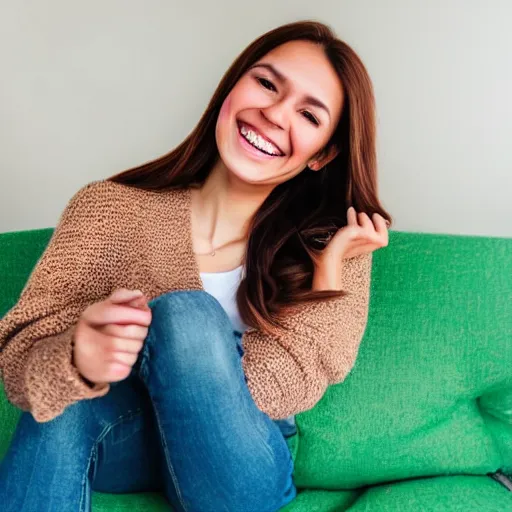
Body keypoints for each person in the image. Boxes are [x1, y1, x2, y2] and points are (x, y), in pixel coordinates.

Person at [0, 20, 391, 512]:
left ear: (323, 154)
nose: (273, 114)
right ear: (231, 88)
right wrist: (79, 355)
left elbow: (283, 393)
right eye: (267, 84)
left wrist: (328, 269)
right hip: (133, 442)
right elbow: (19, 365)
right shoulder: (107, 211)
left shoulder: (330, 243)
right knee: (56, 406)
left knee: (187, 314)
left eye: (309, 116)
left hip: (241, 467)